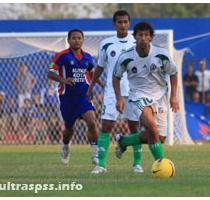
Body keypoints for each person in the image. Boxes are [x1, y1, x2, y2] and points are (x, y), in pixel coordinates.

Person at [112, 22, 179, 165]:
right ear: (135, 37)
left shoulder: (161, 55)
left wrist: (173, 97)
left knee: (159, 138)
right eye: (140, 35)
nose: (143, 38)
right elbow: (116, 77)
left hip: (160, 96)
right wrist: (119, 98)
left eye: (146, 35)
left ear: (151, 38)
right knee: (152, 128)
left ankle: (124, 141)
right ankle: (161, 164)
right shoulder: (126, 56)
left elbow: (173, 73)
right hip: (138, 96)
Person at [88, 10, 143, 174]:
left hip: (134, 91)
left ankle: (137, 164)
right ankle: (101, 165)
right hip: (112, 91)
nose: (123, 25)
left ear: (129, 23)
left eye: (126, 22)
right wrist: (91, 87)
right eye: (120, 22)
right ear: (114, 24)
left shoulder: (137, 42)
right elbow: (100, 67)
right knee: (106, 126)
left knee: (134, 127)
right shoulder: (106, 43)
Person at [48, 29, 99, 166]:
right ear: (69, 40)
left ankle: (95, 151)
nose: (77, 40)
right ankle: (65, 146)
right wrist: (63, 80)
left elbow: (93, 73)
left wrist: (100, 85)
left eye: (79, 38)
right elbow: (50, 73)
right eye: (74, 38)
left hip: (84, 96)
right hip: (67, 98)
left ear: (83, 40)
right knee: (69, 129)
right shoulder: (61, 56)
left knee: (92, 122)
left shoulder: (88, 57)